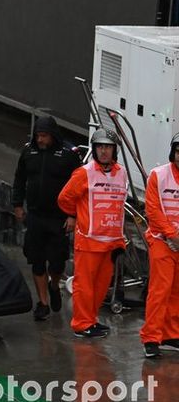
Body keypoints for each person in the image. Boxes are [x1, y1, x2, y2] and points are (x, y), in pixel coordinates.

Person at [57, 129, 128, 339]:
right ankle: (81, 324)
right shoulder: (84, 173)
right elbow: (64, 198)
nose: (103, 151)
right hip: (89, 240)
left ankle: (91, 320)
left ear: (114, 150)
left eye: (107, 147)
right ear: (94, 149)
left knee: (101, 286)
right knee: (84, 285)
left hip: (112, 241)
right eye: (100, 147)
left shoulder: (121, 172)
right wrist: (76, 215)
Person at [12, 116, 81, 322]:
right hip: (35, 215)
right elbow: (19, 178)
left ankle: (54, 285)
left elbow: (78, 187)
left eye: (44, 136)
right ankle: (42, 303)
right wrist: (17, 205)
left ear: (52, 135)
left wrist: (72, 215)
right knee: (37, 260)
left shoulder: (68, 155)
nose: (40, 140)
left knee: (57, 262)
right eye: (38, 136)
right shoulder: (28, 151)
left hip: (59, 218)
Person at [139, 133, 179, 358]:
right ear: (173, 152)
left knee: (176, 292)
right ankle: (151, 338)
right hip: (161, 240)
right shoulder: (158, 175)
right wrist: (172, 236)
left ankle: (171, 335)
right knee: (160, 290)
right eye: (178, 150)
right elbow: (152, 210)